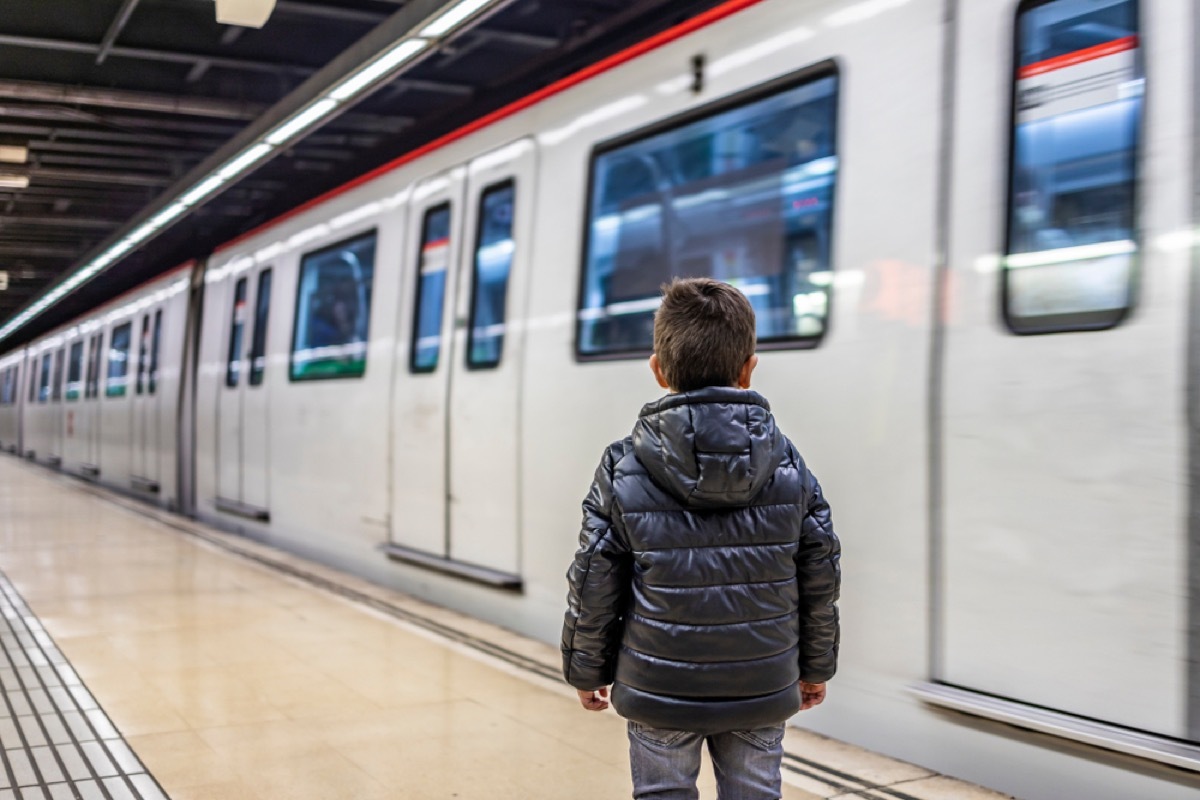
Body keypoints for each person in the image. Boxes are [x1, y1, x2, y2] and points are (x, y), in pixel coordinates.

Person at [562, 277, 841, 800]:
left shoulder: (623, 466)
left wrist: (586, 668)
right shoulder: (787, 462)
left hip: (658, 687)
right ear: (749, 368)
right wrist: (815, 666)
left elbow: (594, 576)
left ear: (658, 370)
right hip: (761, 683)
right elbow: (820, 570)